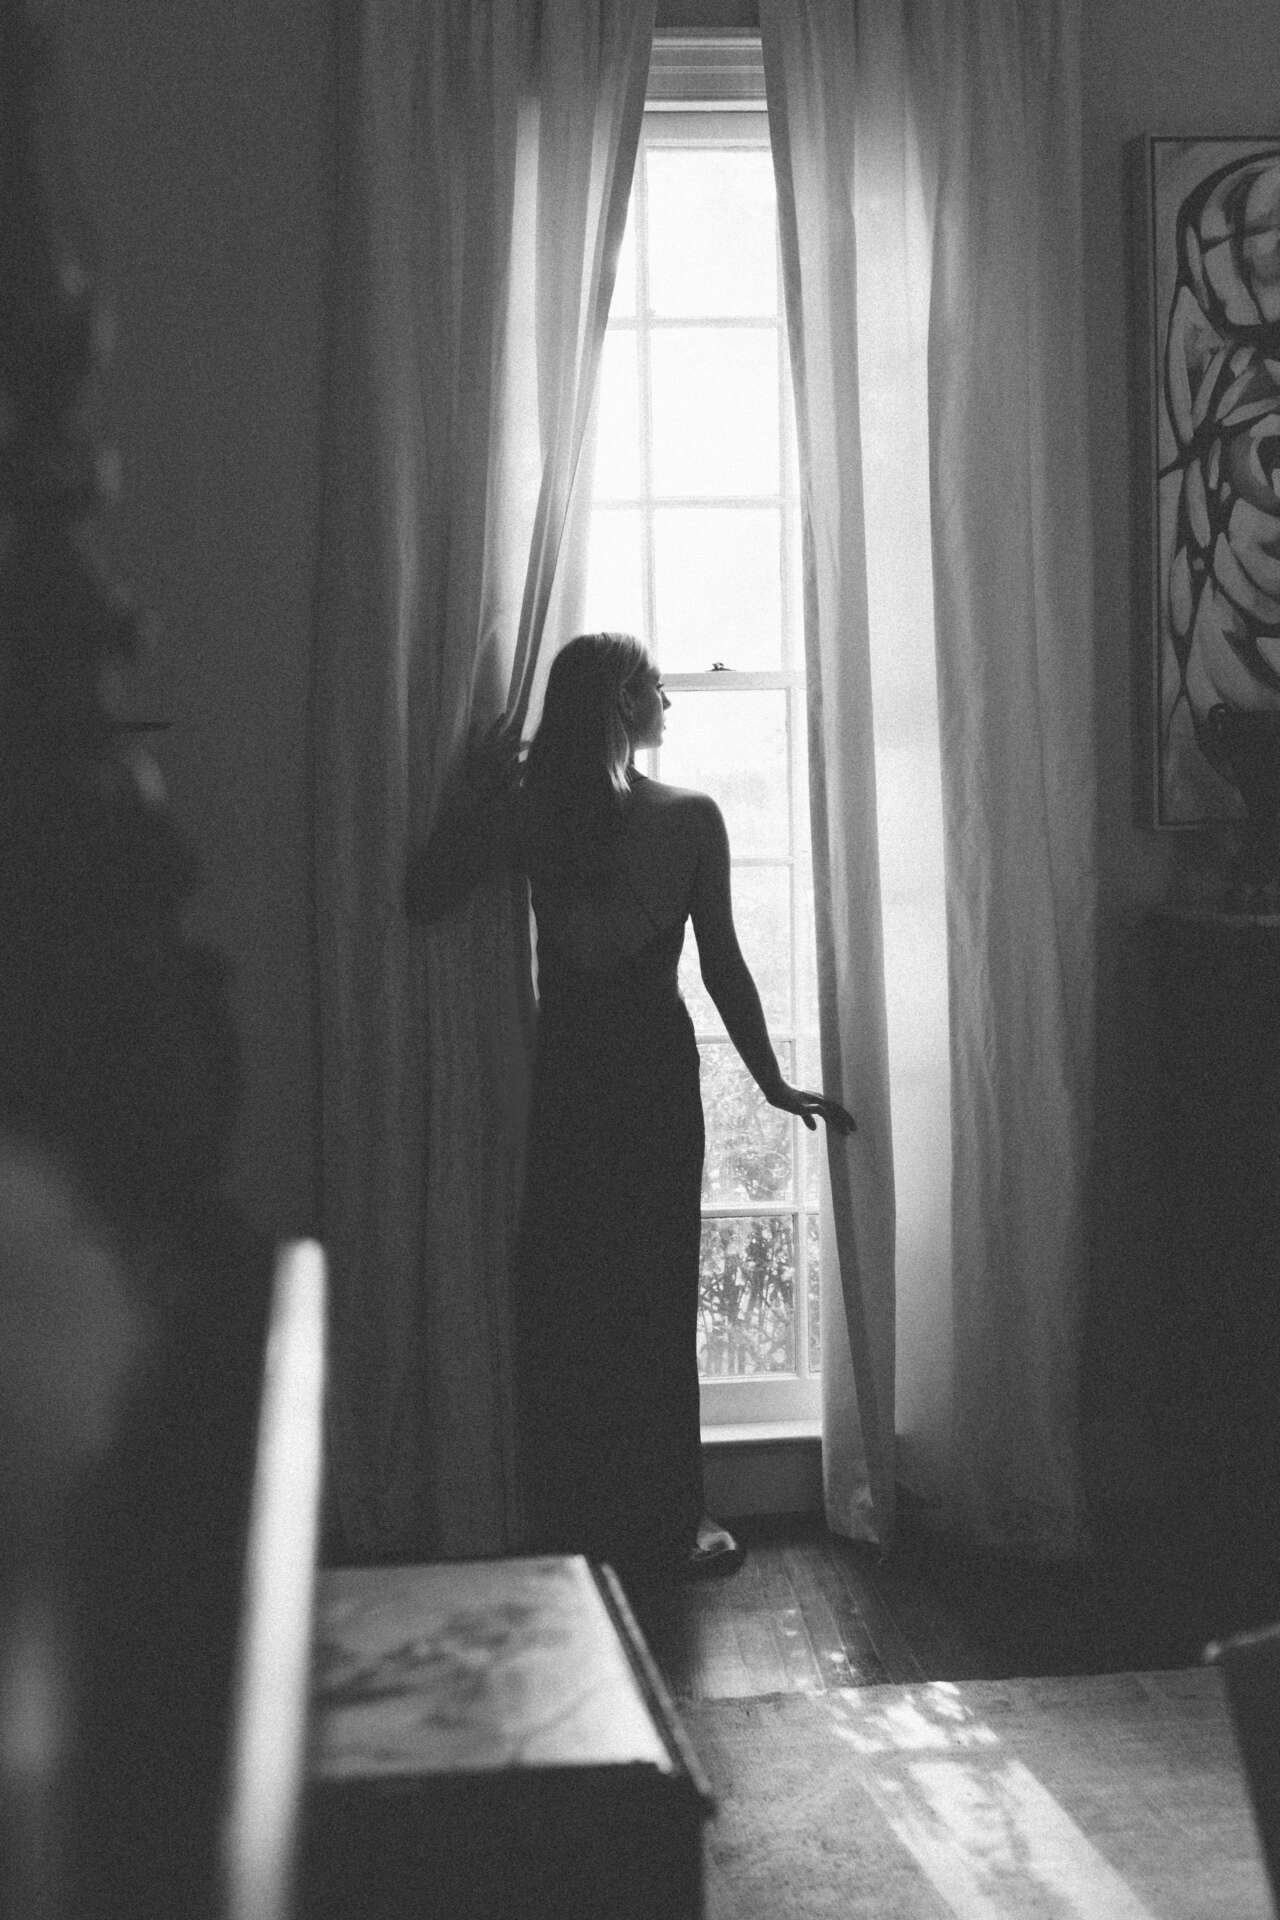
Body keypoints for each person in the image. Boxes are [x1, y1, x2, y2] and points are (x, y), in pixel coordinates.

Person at [407, 632, 855, 1582]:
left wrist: (477, 801)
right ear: (622, 702)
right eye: (655, 688)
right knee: (649, 1296)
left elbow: (424, 892)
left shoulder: (533, 815)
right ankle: (664, 1519)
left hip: (576, 1072)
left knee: (575, 1295)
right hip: (647, 1074)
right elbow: (722, 966)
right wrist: (769, 1082)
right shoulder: (686, 817)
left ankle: (581, 1519)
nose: (669, 704)